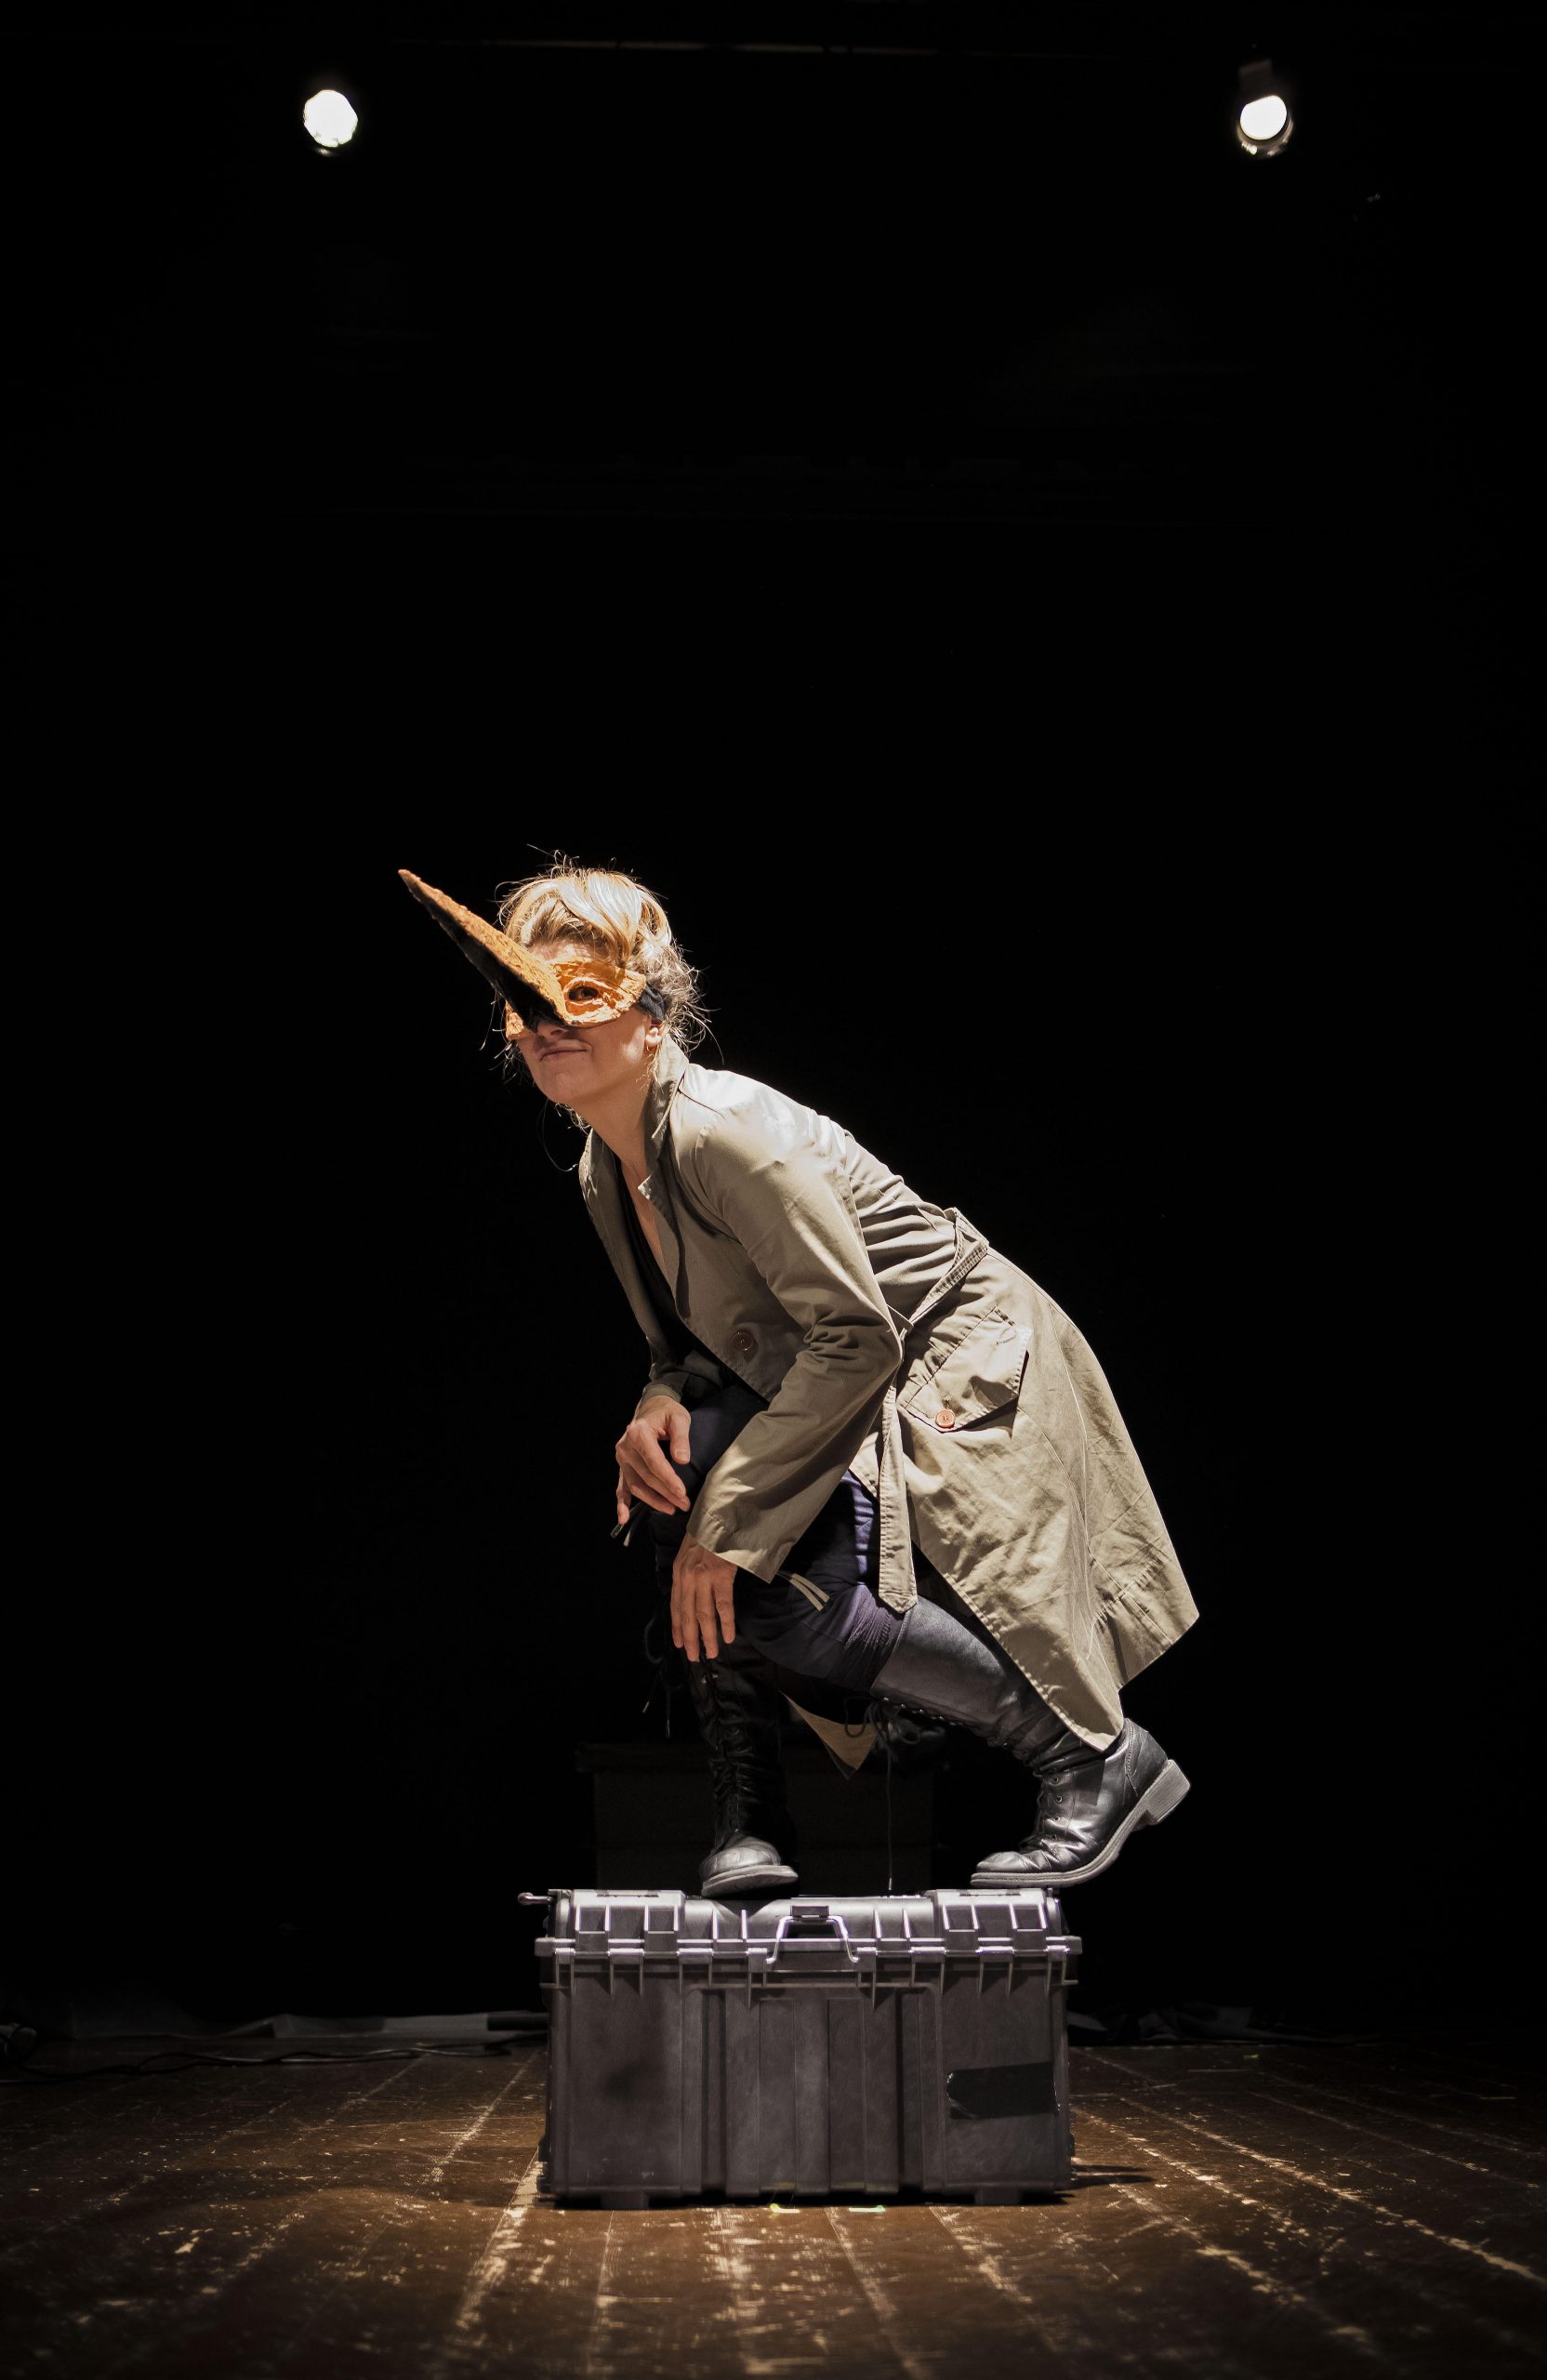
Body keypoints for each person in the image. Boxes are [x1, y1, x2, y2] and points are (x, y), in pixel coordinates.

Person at [401, 862, 1197, 1898]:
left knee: (753, 1564)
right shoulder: (606, 1163)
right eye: (524, 1002)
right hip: (833, 1365)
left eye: (579, 994)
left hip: (951, 1363)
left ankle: (1093, 1757)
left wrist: (726, 1530)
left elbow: (858, 1338)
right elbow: (699, 1341)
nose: (549, 1024)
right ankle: (752, 1819)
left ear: (650, 1009)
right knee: (675, 1483)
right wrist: (657, 1404)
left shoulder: (723, 1131)